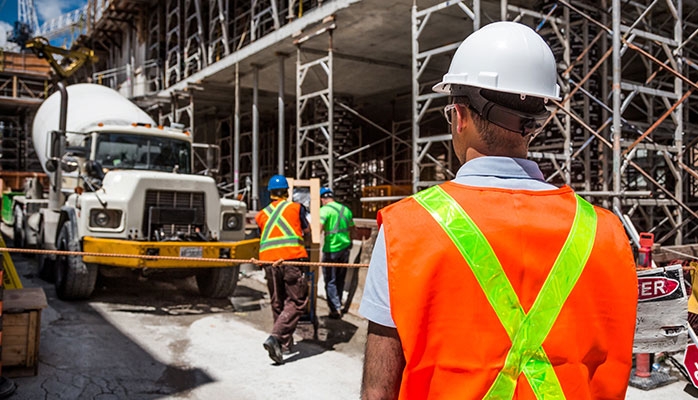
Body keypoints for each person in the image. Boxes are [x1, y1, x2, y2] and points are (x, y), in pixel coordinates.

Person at [359, 21, 638, 399]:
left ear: (459, 116)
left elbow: (379, 390)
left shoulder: (404, 229)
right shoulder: (605, 232)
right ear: (536, 125)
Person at [255, 174, 311, 365]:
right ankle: (276, 337)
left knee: (278, 301)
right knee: (297, 302)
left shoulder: (261, 215)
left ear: (270, 193)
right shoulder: (296, 208)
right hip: (291, 259)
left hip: (269, 263)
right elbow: (307, 229)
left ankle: (283, 345)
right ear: (287, 192)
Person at [319, 187, 355, 319]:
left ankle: (335, 309)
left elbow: (319, 228)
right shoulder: (346, 210)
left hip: (331, 250)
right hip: (345, 249)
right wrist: (349, 241)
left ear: (322, 199)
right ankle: (338, 303)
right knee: (340, 278)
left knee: (330, 280)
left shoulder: (324, 210)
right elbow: (352, 228)